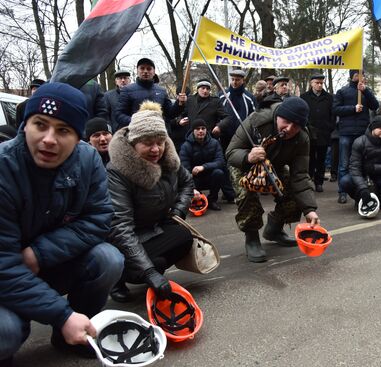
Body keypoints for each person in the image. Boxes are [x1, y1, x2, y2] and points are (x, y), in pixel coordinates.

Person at [0, 82, 124, 364]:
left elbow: (99, 218)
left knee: (108, 259)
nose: (48, 139)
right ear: (25, 124)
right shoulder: (4, 168)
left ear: (78, 136)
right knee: (6, 332)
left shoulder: (88, 158)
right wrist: (62, 314)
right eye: (40, 124)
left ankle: (68, 336)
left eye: (63, 130)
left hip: (46, 264)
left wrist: (40, 253)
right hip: (6, 275)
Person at [107, 101, 195, 303]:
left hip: (154, 227)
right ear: (133, 143)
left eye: (160, 142)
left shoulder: (168, 160)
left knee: (183, 237)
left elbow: (187, 182)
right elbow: (120, 227)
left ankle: (150, 265)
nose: (156, 149)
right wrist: (149, 272)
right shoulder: (116, 172)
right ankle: (119, 278)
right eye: (147, 143)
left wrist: (179, 211)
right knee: (148, 264)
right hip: (124, 238)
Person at [226, 97, 320, 263]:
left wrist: (309, 209)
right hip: (244, 163)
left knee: (292, 193)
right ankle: (252, 237)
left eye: (296, 126)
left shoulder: (302, 138)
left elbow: (300, 176)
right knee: (247, 194)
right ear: (278, 116)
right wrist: (248, 157)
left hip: (273, 165)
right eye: (286, 122)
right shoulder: (257, 121)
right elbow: (231, 153)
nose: (289, 129)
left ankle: (274, 229)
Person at [333, 69, 379, 204]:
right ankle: (342, 192)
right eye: (358, 75)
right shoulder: (342, 91)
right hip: (346, 133)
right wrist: (353, 108)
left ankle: (363, 189)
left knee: (364, 162)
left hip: (362, 132)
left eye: (363, 75)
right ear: (352, 76)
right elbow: (335, 109)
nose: (361, 77)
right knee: (344, 164)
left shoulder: (365, 91)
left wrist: (366, 91)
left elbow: (375, 106)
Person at [339, 116, 381, 211]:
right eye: (380, 128)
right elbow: (354, 168)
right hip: (362, 175)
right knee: (344, 181)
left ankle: (380, 199)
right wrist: (363, 189)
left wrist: (375, 168)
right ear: (372, 128)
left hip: (380, 176)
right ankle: (360, 199)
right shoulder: (359, 142)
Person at [115, 58, 185, 131]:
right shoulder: (127, 90)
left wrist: (179, 103)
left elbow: (170, 114)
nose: (145, 71)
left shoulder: (162, 91)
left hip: (159, 134)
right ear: (137, 71)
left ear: (154, 72)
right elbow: (119, 115)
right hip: (137, 134)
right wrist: (136, 122)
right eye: (142, 68)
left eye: (149, 69)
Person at [179, 118, 225, 211]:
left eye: (203, 128)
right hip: (194, 179)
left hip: (209, 176)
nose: (200, 131)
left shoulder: (214, 143)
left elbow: (220, 161)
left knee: (219, 173)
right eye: (197, 129)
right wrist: (192, 188)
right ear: (193, 131)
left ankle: (212, 200)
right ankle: (196, 198)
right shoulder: (185, 146)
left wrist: (203, 167)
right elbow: (184, 169)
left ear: (206, 130)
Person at [300, 74, 335, 192]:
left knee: (321, 159)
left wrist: (330, 127)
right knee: (309, 158)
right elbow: (301, 114)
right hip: (308, 133)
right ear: (311, 83)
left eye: (321, 83)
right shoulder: (304, 97)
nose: (319, 85)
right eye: (317, 83)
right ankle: (308, 181)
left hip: (324, 133)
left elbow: (333, 115)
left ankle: (319, 182)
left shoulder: (329, 97)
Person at [219, 69, 257, 152]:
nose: (234, 82)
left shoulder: (249, 97)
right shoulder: (222, 95)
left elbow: (254, 117)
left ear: (243, 80)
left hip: (242, 135)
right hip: (224, 134)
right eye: (232, 79)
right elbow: (217, 113)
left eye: (237, 80)